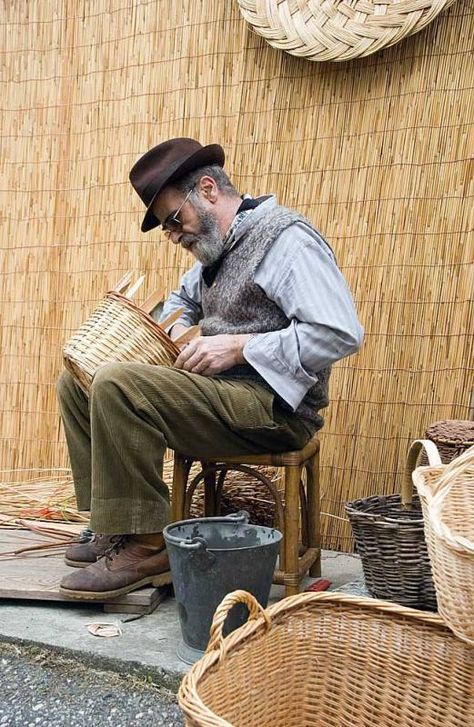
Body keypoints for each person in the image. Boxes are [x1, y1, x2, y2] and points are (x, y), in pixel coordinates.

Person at [57, 138, 363, 600]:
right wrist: (150, 329)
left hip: (275, 410)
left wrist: (240, 347)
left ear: (208, 189)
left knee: (118, 384)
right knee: (77, 381)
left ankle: (146, 545)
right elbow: (180, 306)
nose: (175, 235)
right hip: (223, 399)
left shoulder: (286, 241)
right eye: (166, 228)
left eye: (174, 219)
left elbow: (340, 332)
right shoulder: (214, 252)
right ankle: (113, 524)